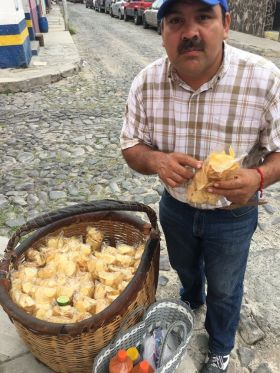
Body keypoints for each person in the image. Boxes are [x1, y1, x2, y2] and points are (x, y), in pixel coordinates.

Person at [120, 0, 280, 371]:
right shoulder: (147, 82)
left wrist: (257, 177)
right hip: (175, 209)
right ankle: (191, 298)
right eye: (176, 20)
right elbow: (131, 145)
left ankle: (220, 346)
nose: (190, 32)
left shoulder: (264, 79)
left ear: (225, 23)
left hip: (234, 215)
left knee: (225, 288)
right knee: (184, 268)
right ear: (162, 32)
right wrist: (158, 161)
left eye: (203, 17)